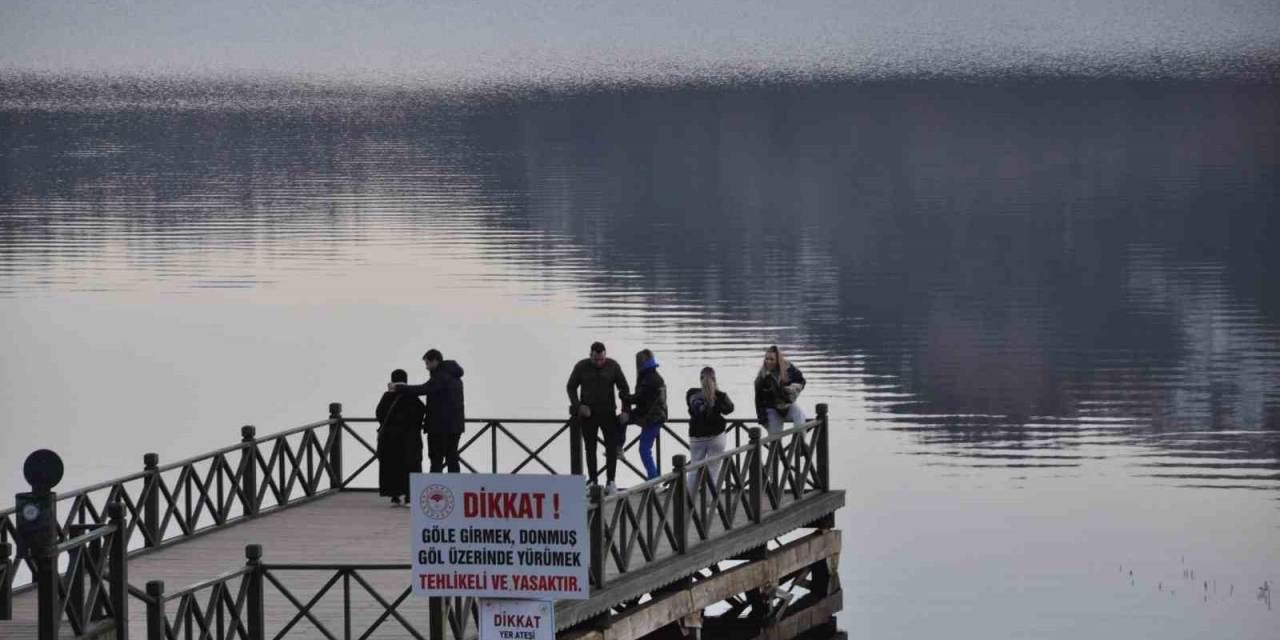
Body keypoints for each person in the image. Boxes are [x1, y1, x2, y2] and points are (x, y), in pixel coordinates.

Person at [566, 341, 630, 493]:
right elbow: (571, 387)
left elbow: (624, 388)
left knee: (612, 448)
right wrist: (578, 406)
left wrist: (625, 410)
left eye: (601, 359)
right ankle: (593, 481)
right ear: (590, 355)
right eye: (596, 359)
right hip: (589, 415)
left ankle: (611, 482)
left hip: (608, 414)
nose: (599, 362)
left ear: (605, 355)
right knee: (590, 449)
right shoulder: (581, 366)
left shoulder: (613, 366)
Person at [388, 349, 466, 473]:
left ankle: (435, 489)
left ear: (435, 360)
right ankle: (455, 488)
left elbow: (423, 389)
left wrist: (398, 387)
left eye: (427, 363)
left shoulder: (441, 376)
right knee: (452, 457)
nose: (426, 367)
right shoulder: (454, 377)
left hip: (439, 426)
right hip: (455, 425)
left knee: (436, 459)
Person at [375, 368, 426, 506]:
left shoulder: (386, 397)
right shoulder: (412, 397)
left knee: (392, 466)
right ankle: (410, 496)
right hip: (410, 439)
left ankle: (395, 495)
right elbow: (421, 412)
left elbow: (379, 414)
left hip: (389, 438)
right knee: (411, 466)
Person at [686, 366, 734, 492]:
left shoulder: (691, 394)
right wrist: (716, 392)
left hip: (697, 436)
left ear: (700, 379)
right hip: (716, 436)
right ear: (715, 379)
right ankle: (710, 506)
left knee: (693, 470)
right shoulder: (720, 396)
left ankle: (687, 505)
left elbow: (693, 410)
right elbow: (729, 409)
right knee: (713, 471)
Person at [624, 348, 667, 480]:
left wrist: (624, 397)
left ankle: (654, 480)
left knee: (644, 450)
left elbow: (639, 398)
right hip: (653, 415)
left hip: (651, 418)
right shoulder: (653, 375)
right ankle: (618, 446)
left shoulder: (648, 378)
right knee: (620, 420)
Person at [754, 345, 807, 434]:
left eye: (771, 359)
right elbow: (758, 400)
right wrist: (762, 419)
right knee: (775, 437)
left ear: (778, 360)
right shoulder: (761, 377)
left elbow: (801, 381)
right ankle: (777, 447)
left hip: (787, 405)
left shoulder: (788, 367)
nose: (768, 362)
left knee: (800, 415)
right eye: (766, 359)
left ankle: (800, 444)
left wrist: (792, 388)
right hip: (771, 409)